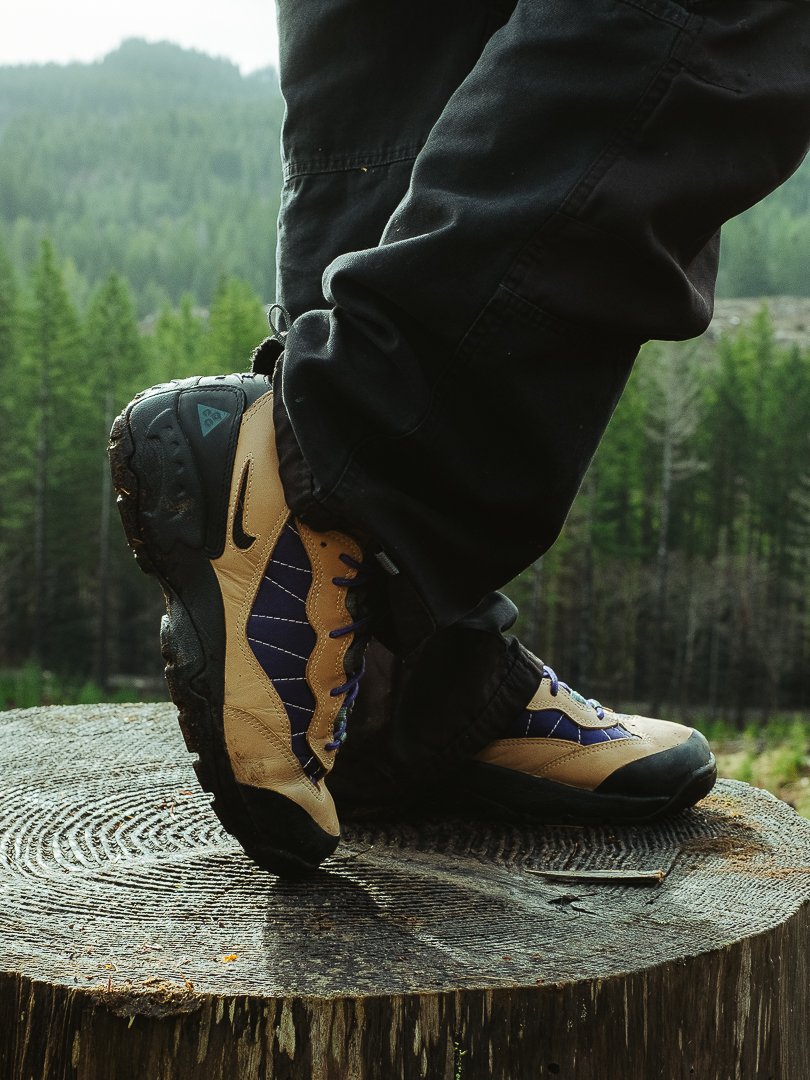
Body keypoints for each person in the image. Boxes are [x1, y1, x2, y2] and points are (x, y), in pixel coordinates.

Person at [109, 0, 809, 876]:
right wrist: (356, 440)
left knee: (411, 36)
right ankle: (328, 466)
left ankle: (402, 682)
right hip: (343, 446)